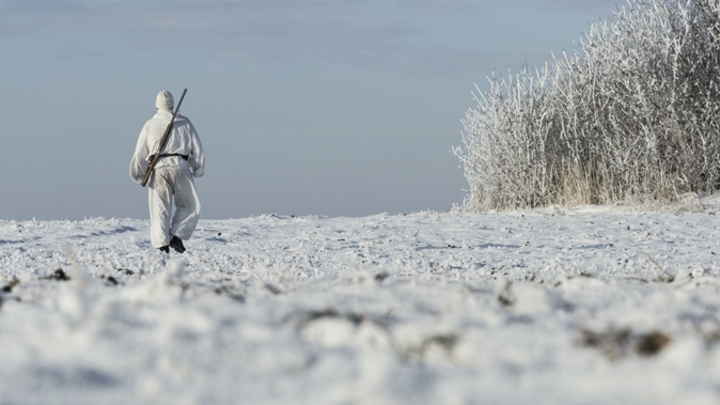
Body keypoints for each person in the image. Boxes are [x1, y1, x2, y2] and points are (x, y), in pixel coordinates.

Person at [129, 90, 205, 253]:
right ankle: (177, 235)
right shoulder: (185, 123)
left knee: (159, 208)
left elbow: (140, 152)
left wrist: (138, 173)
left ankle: (162, 244)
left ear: (157, 105)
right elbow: (197, 149)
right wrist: (197, 168)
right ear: (172, 104)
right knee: (191, 205)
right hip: (181, 167)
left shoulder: (150, 124)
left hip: (159, 169)